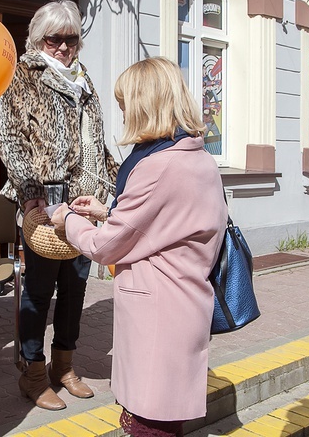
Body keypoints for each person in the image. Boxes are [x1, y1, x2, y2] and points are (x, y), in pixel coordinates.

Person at [51, 57, 228, 436]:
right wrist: (107, 210)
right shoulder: (196, 157)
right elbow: (166, 223)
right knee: (162, 419)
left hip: (159, 316)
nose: (122, 112)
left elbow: (106, 246)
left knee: (150, 424)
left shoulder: (156, 166)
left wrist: (67, 219)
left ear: (145, 104)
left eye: (125, 104)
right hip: (183, 305)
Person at [0, 0, 119, 410]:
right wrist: (30, 191)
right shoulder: (21, 76)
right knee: (38, 289)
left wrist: (115, 184)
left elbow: (95, 142)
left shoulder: (83, 79)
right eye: (55, 40)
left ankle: (63, 364)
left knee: (75, 287)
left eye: (72, 40)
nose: (65, 48)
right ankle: (32, 370)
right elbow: (9, 138)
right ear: (38, 39)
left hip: (85, 199)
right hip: (44, 200)